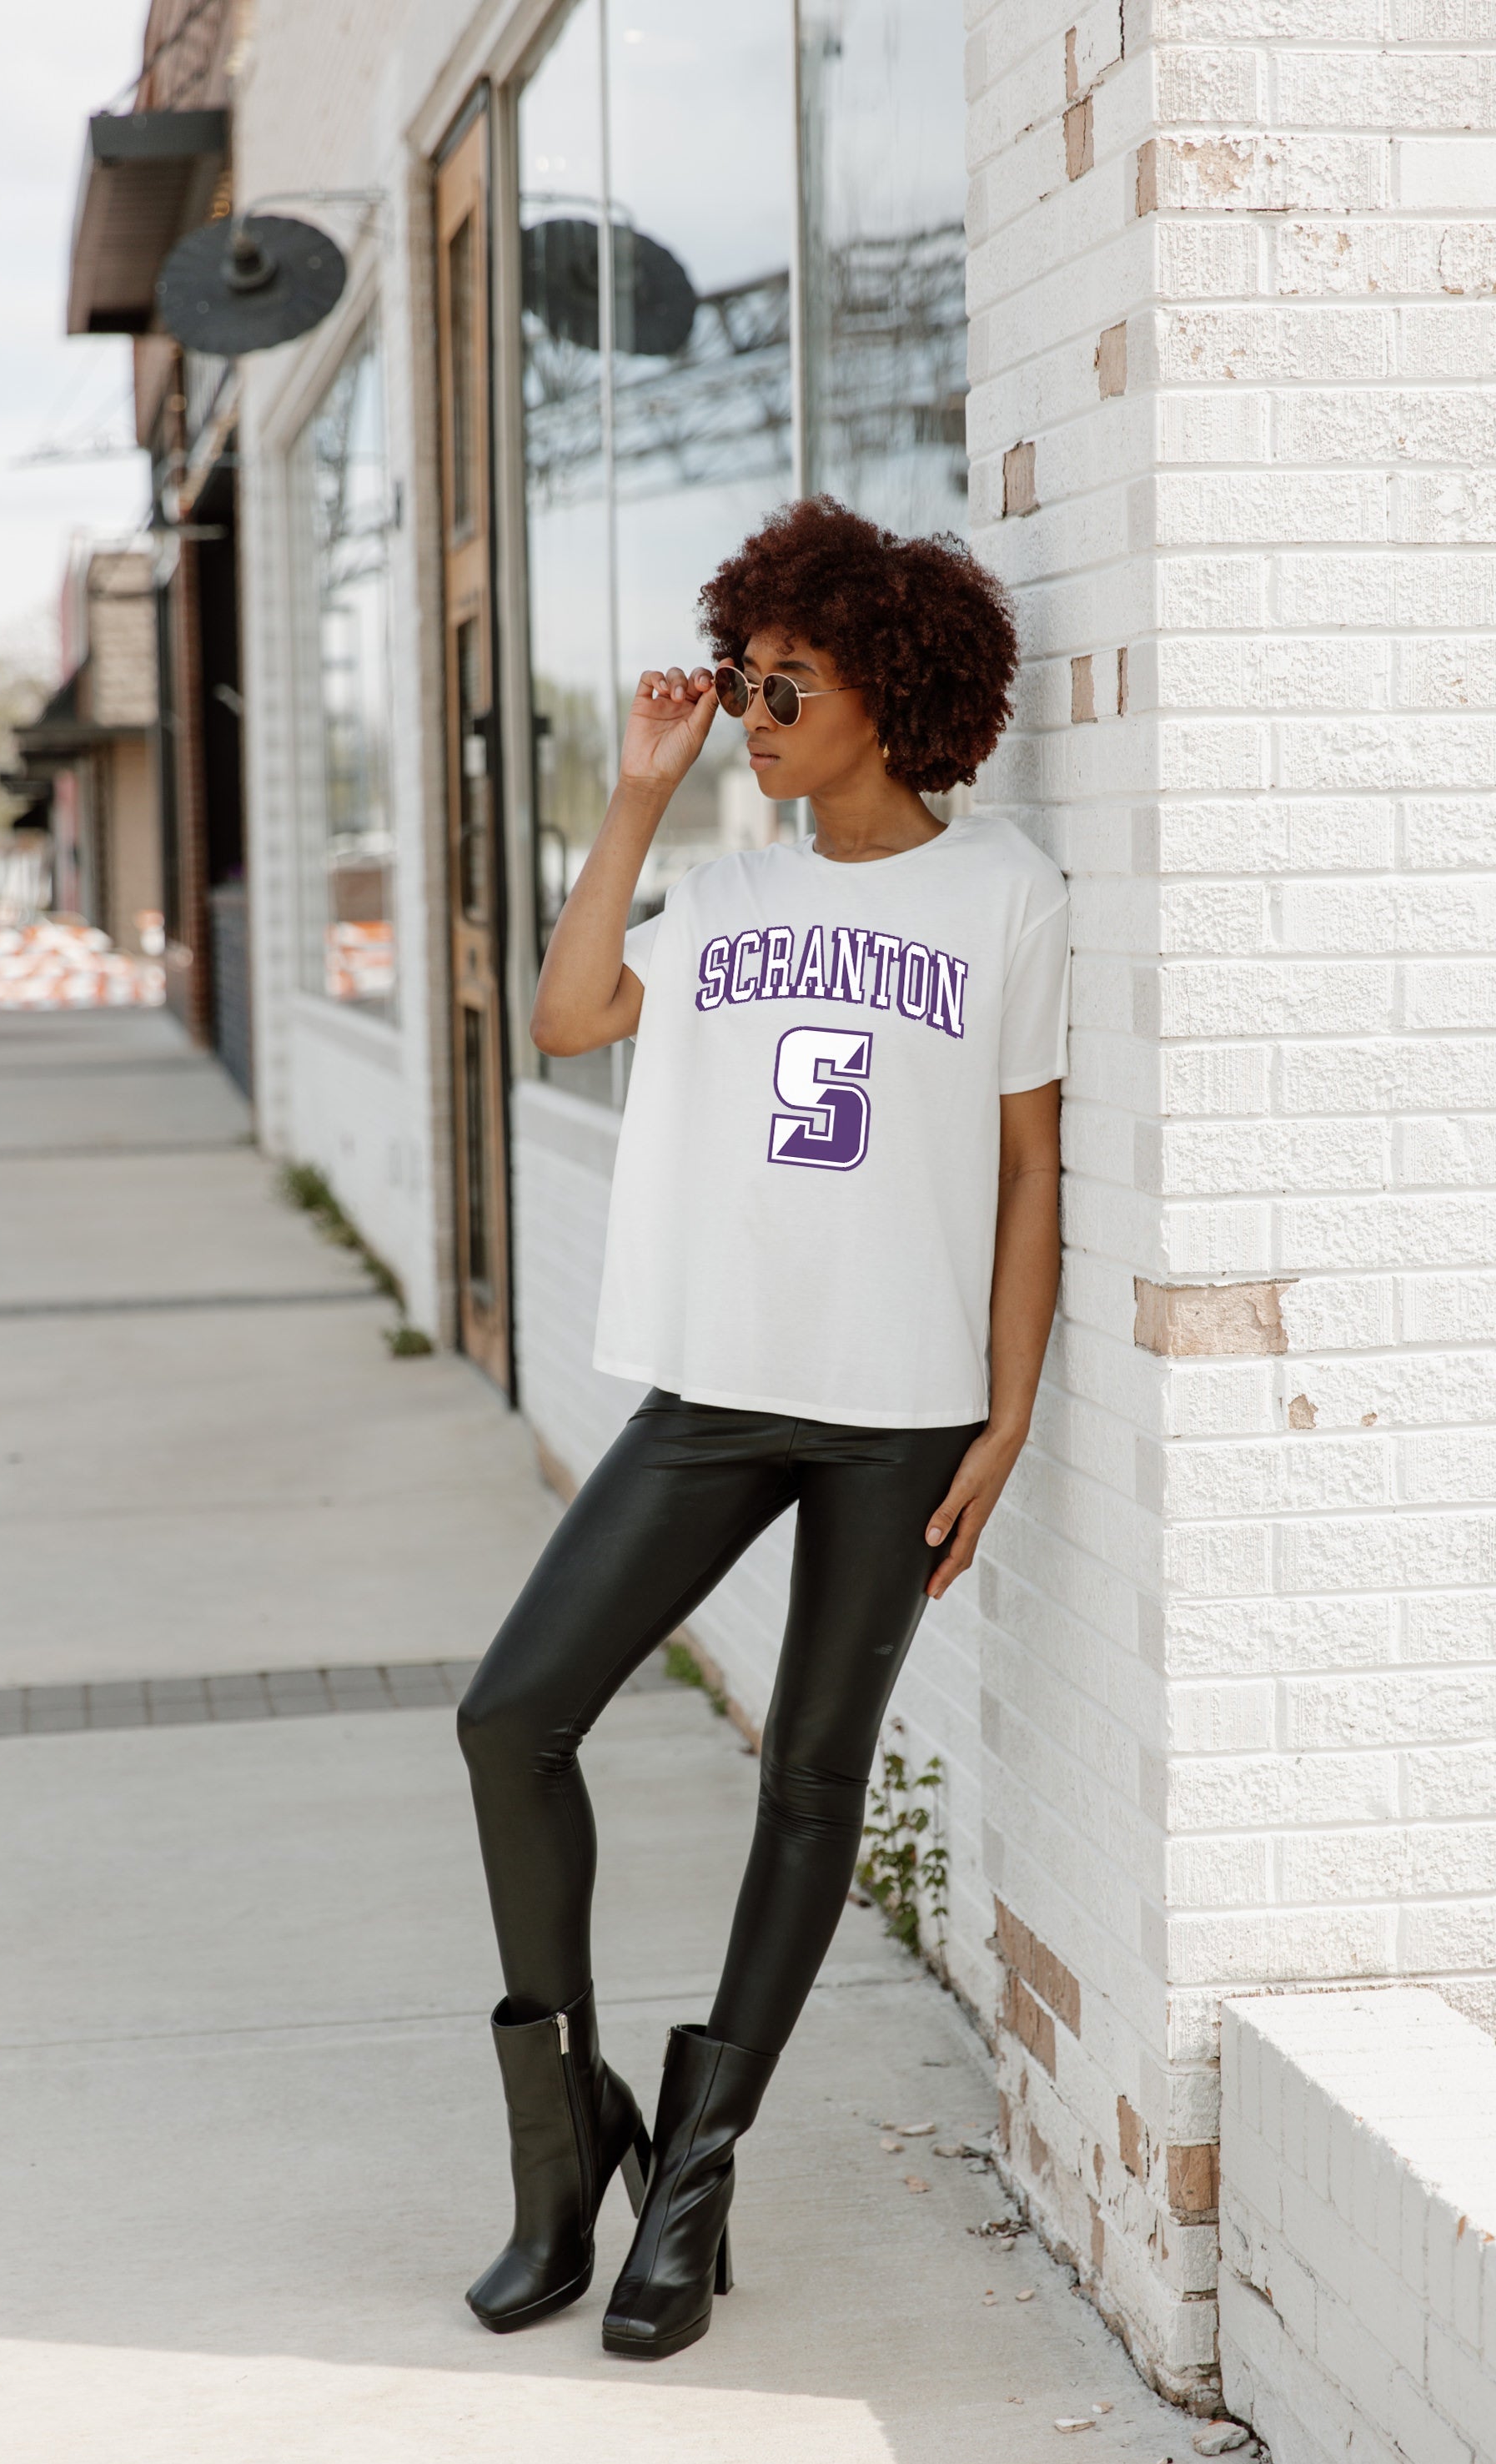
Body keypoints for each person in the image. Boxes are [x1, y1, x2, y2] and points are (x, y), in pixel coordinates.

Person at [456, 495, 1067, 2361]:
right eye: (743, 679)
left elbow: (1031, 1172)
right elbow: (566, 1017)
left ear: (890, 687)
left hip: (902, 1414)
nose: (753, 710)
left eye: (785, 680)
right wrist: (641, 793)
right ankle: (569, 2147)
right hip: (715, 1390)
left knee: (812, 1781)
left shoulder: (1006, 893)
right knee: (509, 1716)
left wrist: (1009, 1415)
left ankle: (695, 2186)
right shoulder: (723, 896)